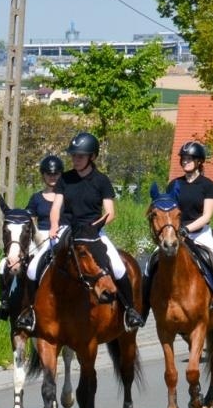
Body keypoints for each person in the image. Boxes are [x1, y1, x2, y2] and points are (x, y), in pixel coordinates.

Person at [18, 131, 141, 334]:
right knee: (32, 269)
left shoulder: (102, 181)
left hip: (94, 230)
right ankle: (30, 313)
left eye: (80, 156)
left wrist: (95, 226)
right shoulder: (65, 179)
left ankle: (130, 311)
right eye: (73, 156)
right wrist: (55, 226)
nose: (75, 159)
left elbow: (110, 213)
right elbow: (56, 206)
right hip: (69, 229)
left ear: (92, 157)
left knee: (118, 267)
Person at [141, 139, 213, 322]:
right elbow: (167, 211)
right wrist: (170, 229)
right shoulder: (174, 185)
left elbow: (206, 216)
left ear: (199, 162)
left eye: (190, 158)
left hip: (199, 233)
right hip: (174, 233)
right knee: (150, 264)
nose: (186, 161)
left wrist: (186, 229)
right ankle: (143, 306)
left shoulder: (207, 185)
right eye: (184, 158)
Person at [0, 154, 62, 322]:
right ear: (43, 175)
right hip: (41, 238)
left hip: (62, 234)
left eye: (56, 173)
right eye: (49, 174)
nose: (52, 177)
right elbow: (27, 220)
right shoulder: (36, 198)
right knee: (6, 264)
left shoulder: (65, 197)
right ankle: (5, 304)